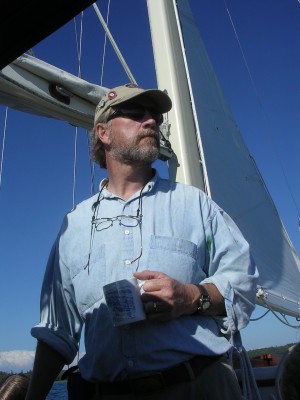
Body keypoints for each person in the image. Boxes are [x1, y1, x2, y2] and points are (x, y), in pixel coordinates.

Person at [25, 83, 258, 400]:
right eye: (136, 113)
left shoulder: (195, 204)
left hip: (199, 388)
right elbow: (56, 332)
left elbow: (243, 282)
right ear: (103, 133)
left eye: (155, 116)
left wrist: (192, 296)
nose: (151, 121)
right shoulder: (73, 226)